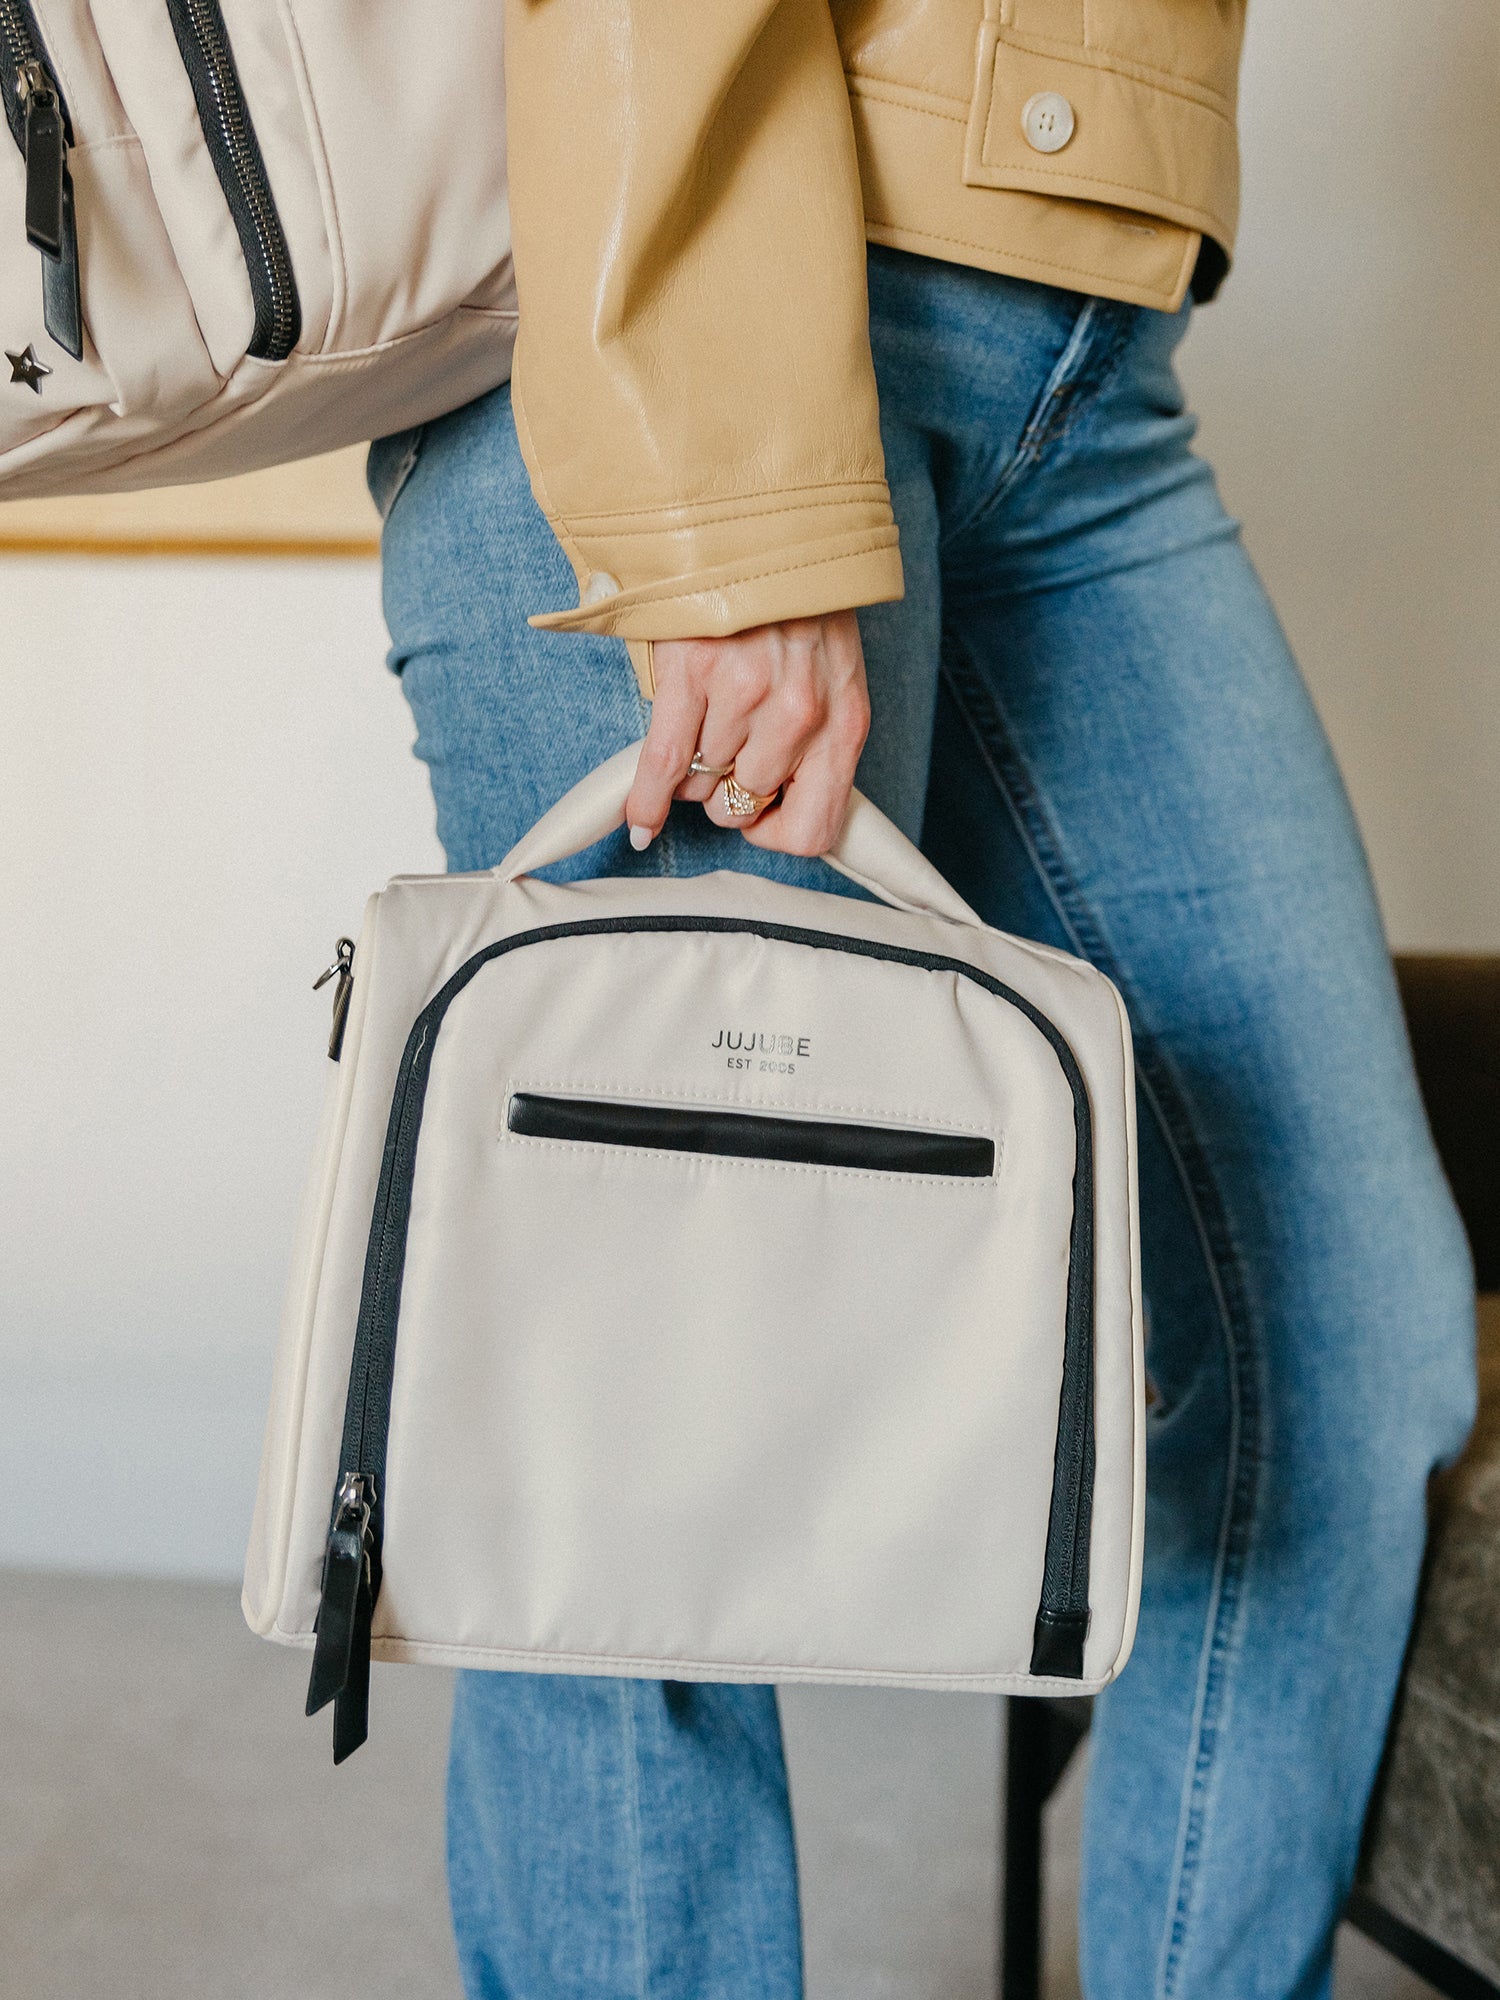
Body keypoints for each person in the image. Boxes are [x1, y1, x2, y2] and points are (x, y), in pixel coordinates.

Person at [367, 4, 1476, 1994]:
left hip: (1089, 353)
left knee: (1341, 1336)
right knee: (636, 1467)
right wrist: (732, 500)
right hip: (701, 318)